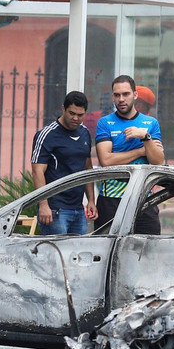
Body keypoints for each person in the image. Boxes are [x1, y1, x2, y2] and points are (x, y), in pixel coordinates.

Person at [95, 75, 164, 234]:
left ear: (135, 95)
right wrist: (141, 151)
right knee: (107, 253)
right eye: (117, 95)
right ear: (112, 97)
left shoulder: (150, 123)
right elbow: (106, 160)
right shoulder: (105, 123)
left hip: (143, 197)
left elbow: (158, 161)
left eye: (125, 94)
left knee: (148, 251)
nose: (121, 99)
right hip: (111, 198)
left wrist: (145, 137)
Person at [31, 91, 98, 235]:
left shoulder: (85, 133)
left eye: (80, 115)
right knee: (57, 255)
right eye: (71, 113)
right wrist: (43, 204)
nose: (75, 118)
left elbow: (87, 168)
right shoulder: (47, 134)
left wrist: (91, 200)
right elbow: (37, 171)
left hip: (78, 209)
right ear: (63, 109)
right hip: (55, 210)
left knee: (77, 255)